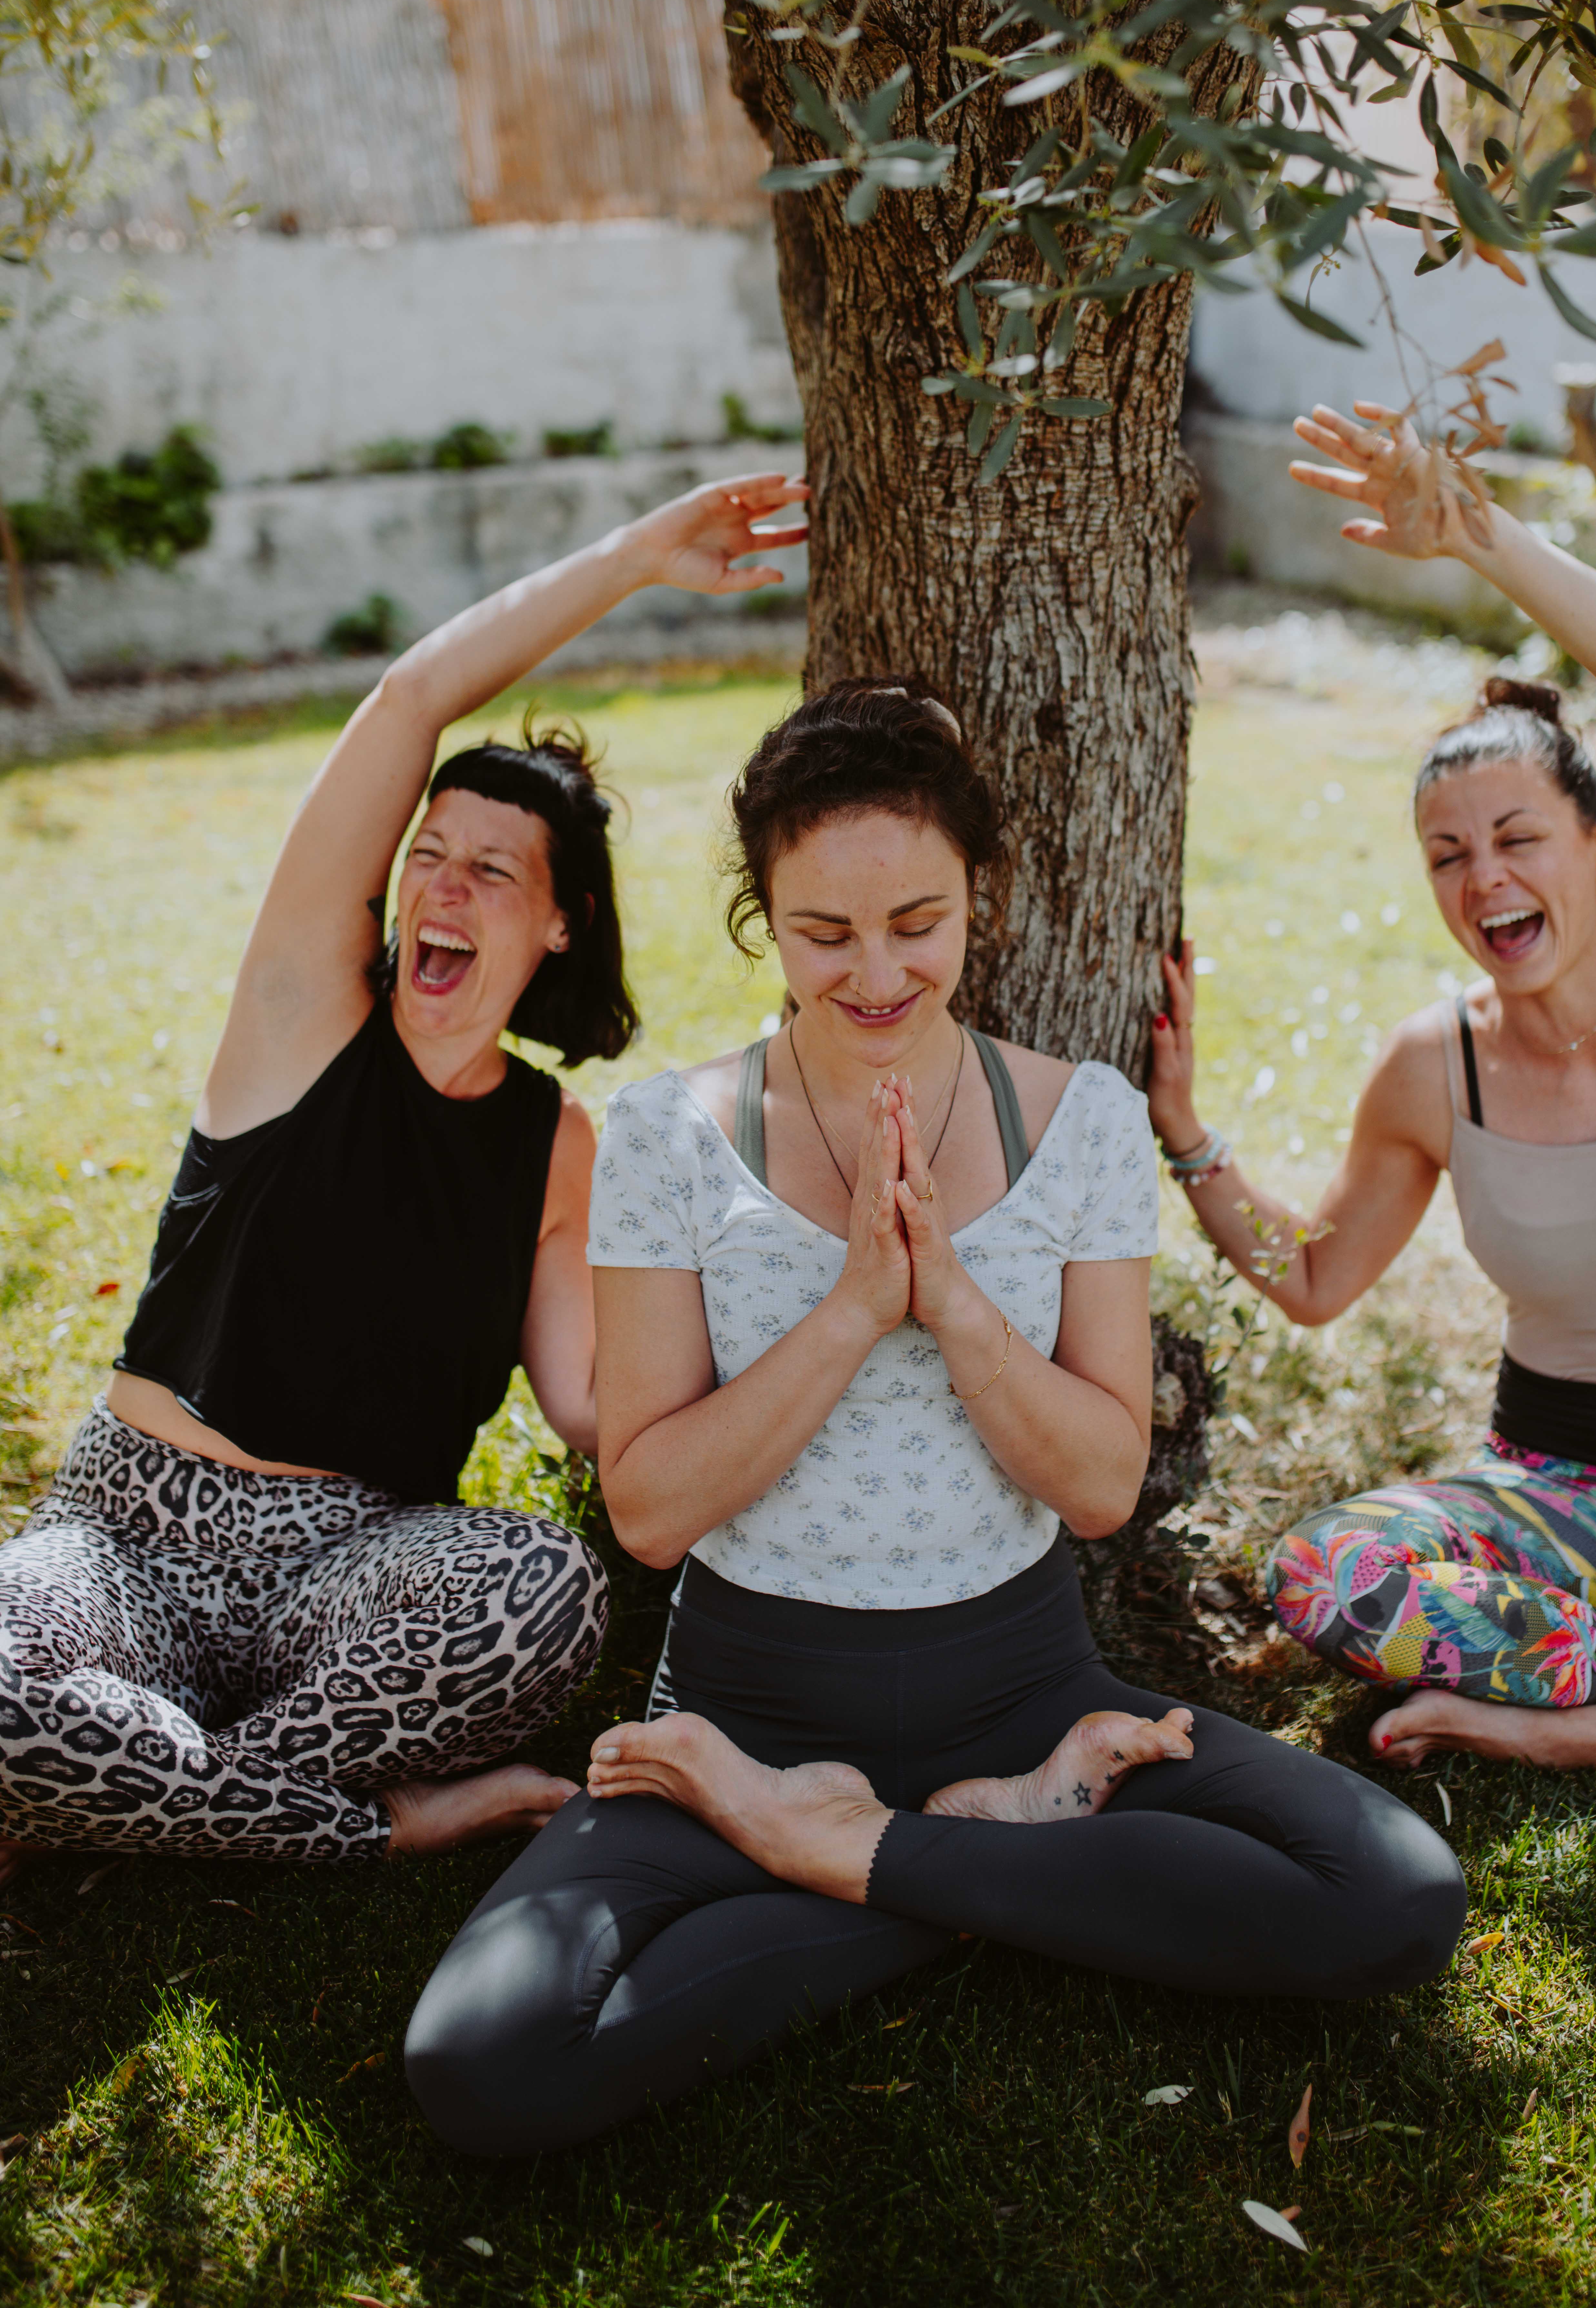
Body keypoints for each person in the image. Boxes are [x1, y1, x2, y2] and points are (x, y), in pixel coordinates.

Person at [404, 678, 1467, 2155]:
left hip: (1021, 1690)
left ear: (979, 898)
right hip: (743, 1711)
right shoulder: (670, 1136)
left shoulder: (1079, 1118)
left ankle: (828, 1845)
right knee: (484, 2063)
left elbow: (1099, 1488)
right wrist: (848, 1311)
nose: (877, 974)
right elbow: (649, 1511)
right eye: (823, 934)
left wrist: (954, 1305)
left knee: (1395, 1896)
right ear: (762, 919)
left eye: (918, 923)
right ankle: (984, 1844)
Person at [0, 469, 809, 1879]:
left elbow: (593, 1410)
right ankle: (361, 1826)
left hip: (344, 1575)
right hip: (127, 1531)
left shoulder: (562, 1149)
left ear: (559, 927)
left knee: (543, 1595)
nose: (443, 886)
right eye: (427, 856)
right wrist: (633, 559)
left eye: (495, 872)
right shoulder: (304, 1019)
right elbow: (405, 702)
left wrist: (811, 1320)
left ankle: (112, 1787)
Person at [1147, 396, 1596, 1775]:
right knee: (1328, 1576)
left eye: (1514, 838)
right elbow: (1313, 1279)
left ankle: (1580, 1729)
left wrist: (1480, 539)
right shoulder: (1433, 1066)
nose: (1483, 877)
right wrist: (1187, 1137)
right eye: (1445, 855)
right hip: (1554, 1499)